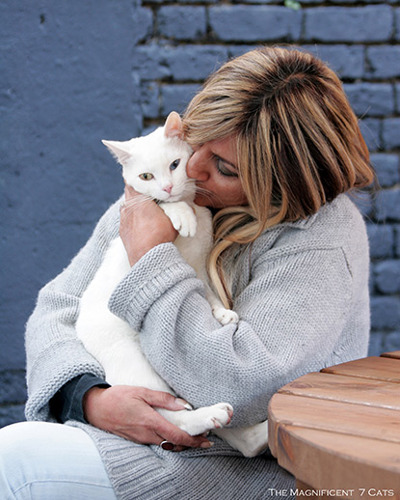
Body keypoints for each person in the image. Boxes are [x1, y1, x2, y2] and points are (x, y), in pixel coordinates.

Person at [0, 46, 374, 499]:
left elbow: (241, 384)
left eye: (226, 168)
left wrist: (151, 256)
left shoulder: (321, 237)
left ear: (283, 182)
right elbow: (58, 307)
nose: (192, 170)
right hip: (130, 435)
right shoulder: (166, 188)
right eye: (198, 139)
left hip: (235, 466)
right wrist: (90, 398)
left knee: (15, 464)